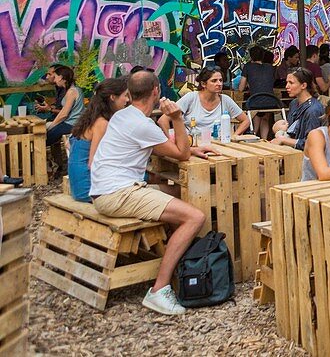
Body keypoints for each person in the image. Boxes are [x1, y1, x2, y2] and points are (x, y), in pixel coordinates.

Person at [90, 70, 206, 315]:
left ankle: (180, 259)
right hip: (118, 194)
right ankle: (159, 289)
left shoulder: (123, 116)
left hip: (105, 190)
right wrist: (177, 118)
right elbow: (181, 153)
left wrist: (185, 148)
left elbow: (160, 147)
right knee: (195, 216)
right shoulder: (141, 124)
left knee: (178, 193)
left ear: (130, 94)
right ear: (156, 91)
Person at [68, 78, 129, 203]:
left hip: (77, 184)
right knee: (143, 179)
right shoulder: (102, 123)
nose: (128, 100)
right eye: (125, 95)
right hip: (87, 188)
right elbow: (93, 163)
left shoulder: (90, 117)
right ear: (113, 97)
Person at [163, 66, 250, 140]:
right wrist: (171, 142)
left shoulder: (225, 100)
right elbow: (163, 120)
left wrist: (234, 136)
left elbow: (245, 120)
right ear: (203, 84)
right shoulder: (191, 97)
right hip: (193, 145)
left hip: (220, 146)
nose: (219, 84)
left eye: (221, 80)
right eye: (214, 81)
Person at [272, 68, 325, 150]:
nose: (287, 86)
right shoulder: (293, 103)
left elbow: (311, 143)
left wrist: (283, 140)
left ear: (303, 85)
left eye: (291, 83)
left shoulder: (313, 110)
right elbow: (290, 131)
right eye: (287, 82)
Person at [240, 46, 280, 137]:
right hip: (270, 100)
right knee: (265, 119)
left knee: (256, 119)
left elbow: (241, 88)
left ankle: (254, 137)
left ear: (251, 57)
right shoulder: (270, 67)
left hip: (255, 101)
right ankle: (264, 140)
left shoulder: (248, 67)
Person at [45, 65, 84, 148]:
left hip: (72, 124)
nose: (54, 80)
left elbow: (64, 114)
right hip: (70, 123)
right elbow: (63, 112)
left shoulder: (72, 92)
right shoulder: (72, 90)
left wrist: (51, 127)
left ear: (60, 77)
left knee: (44, 139)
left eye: (55, 77)